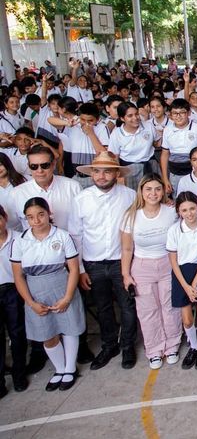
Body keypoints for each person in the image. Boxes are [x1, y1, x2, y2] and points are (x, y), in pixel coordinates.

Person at [69, 152, 137, 370]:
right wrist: (79, 269)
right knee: (103, 306)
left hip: (121, 261)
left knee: (127, 305)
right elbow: (76, 236)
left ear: (116, 173)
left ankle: (128, 346)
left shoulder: (130, 196)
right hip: (93, 263)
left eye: (107, 170)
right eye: (97, 171)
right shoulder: (81, 200)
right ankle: (110, 345)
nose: (101, 175)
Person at [11, 197, 84, 391]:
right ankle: (59, 369)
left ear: (48, 213)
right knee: (47, 333)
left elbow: (74, 269)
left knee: (69, 327)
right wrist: (30, 302)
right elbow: (18, 276)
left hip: (61, 285)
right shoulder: (20, 241)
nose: (36, 220)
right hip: (36, 292)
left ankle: (70, 368)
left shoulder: (62, 236)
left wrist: (67, 296)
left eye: (40, 214)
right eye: (30, 217)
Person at [120, 174, 180, 369]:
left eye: (157, 189)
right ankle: (154, 350)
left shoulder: (171, 212)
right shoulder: (131, 215)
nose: (153, 193)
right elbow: (127, 249)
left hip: (167, 263)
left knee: (170, 307)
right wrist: (126, 274)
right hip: (142, 266)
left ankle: (172, 345)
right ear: (141, 191)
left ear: (163, 191)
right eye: (149, 189)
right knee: (147, 310)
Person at [167, 191, 197, 370]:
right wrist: (186, 287)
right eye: (184, 210)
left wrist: (194, 284)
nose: (189, 213)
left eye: (192, 208)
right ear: (179, 211)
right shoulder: (174, 230)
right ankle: (193, 347)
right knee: (187, 319)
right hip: (181, 275)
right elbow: (172, 259)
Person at [160, 98, 197, 194]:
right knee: (179, 201)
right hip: (175, 174)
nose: (178, 116)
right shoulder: (167, 130)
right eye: (175, 113)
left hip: (195, 174)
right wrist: (165, 179)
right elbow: (164, 154)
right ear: (170, 115)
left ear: (188, 113)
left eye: (182, 113)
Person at [0, 205, 26, 395]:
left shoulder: (20, 239)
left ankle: (19, 372)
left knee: (17, 332)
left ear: (5, 217)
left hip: (13, 289)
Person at [108, 101, 156, 190]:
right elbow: (114, 158)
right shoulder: (117, 134)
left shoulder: (148, 126)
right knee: (133, 197)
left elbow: (156, 143)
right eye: (130, 116)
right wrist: (119, 177)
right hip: (129, 171)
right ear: (122, 118)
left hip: (151, 166)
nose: (135, 118)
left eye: (136, 114)